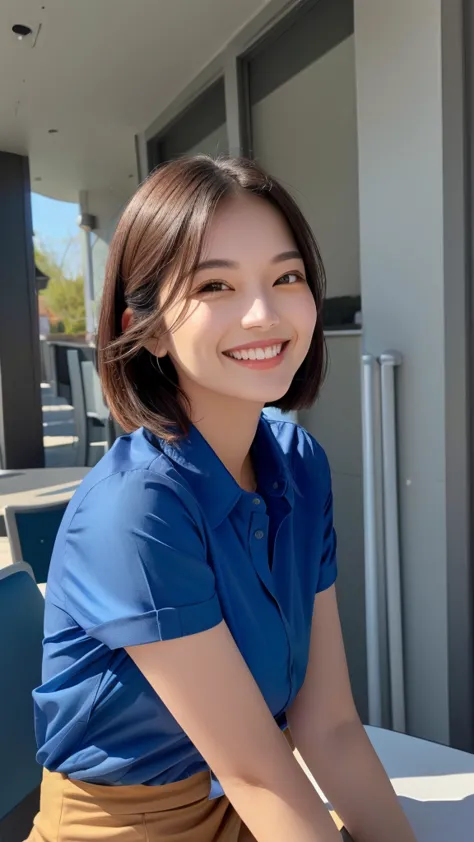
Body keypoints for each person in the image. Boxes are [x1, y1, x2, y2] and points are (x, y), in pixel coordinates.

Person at [27, 156, 416, 842]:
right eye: (215, 285)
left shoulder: (299, 465)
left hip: (250, 800)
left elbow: (327, 725)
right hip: (128, 827)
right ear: (143, 327)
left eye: (286, 277)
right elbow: (257, 773)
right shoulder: (136, 511)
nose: (263, 313)